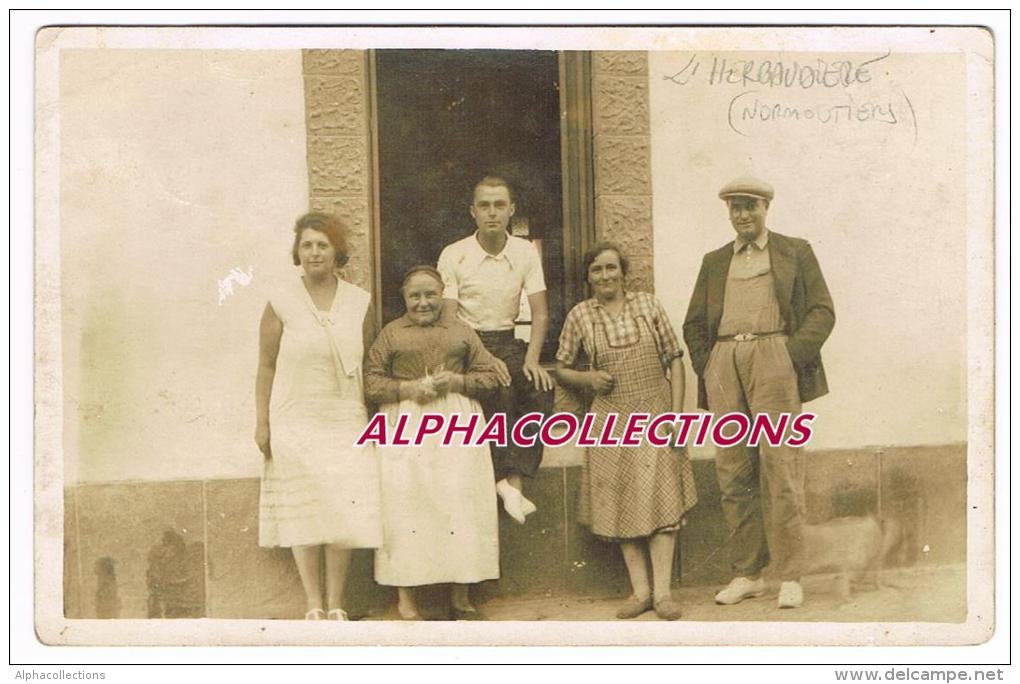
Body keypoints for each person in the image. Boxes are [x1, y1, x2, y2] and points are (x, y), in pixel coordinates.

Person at [682, 176, 835, 609]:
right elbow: (694, 322)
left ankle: (789, 574)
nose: (743, 215)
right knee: (733, 472)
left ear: (766, 207)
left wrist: (789, 356)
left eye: (750, 206)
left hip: (775, 358)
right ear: (727, 213)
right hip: (726, 362)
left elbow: (822, 310)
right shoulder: (715, 261)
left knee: (781, 467)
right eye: (735, 207)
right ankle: (747, 573)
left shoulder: (795, 251)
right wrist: (708, 364)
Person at [555, 242, 698, 621]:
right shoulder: (580, 315)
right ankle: (641, 592)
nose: (605, 276)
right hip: (610, 418)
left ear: (623, 272)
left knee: (661, 499)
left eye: (611, 268)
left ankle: (664, 595)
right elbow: (562, 368)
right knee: (622, 503)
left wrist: (676, 415)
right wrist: (587, 378)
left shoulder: (648, 305)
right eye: (597, 270)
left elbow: (676, 359)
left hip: (654, 411)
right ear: (588, 278)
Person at [255, 213, 382, 621]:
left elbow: (368, 364)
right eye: (307, 245)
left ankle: (337, 604)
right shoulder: (280, 302)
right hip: (294, 418)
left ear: (336, 252)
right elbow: (266, 366)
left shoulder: (359, 302)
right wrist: (263, 423)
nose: (314, 252)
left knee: (340, 507)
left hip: (344, 416)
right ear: (297, 251)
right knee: (304, 509)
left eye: (322, 245)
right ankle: (313, 604)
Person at [365, 265, 501, 620]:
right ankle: (406, 599)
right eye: (415, 296)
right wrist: (407, 389)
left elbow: (490, 377)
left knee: (460, 502)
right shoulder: (390, 335)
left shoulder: (461, 331)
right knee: (405, 506)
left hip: (458, 422)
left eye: (430, 294)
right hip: (406, 424)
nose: (423, 302)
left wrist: (456, 382)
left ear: (442, 295)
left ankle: (461, 596)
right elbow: (371, 383)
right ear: (404, 298)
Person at [437, 176, 554, 525]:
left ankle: (511, 482)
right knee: (500, 390)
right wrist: (484, 360)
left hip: (507, 339)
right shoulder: (454, 253)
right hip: (467, 344)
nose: (492, 213)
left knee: (540, 389)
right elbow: (449, 321)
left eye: (499, 205)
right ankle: (507, 483)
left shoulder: (523, 252)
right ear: (473, 212)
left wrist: (532, 359)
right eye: (484, 205)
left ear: (511, 210)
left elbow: (541, 311)